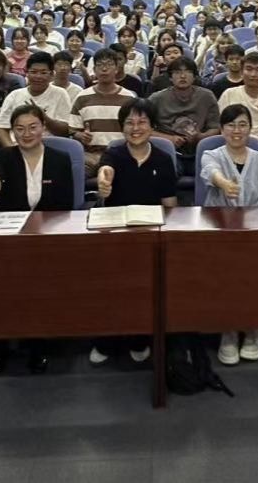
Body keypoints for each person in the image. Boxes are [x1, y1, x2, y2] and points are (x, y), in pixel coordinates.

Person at [0, 104, 74, 376]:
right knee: (0, 288)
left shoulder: (60, 159)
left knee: (40, 289)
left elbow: (66, 206)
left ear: (43, 128)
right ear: (12, 132)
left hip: (46, 238)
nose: (26, 134)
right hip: (10, 237)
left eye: (32, 127)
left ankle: (38, 345)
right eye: (19, 129)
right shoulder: (5, 156)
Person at [92, 100, 177, 366]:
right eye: (129, 122)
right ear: (122, 127)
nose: (135, 128)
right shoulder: (114, 154)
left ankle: (140, 338)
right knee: (110, 288)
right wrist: (103, 182)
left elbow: (170, 205)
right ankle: (106, 339)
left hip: (149, 235)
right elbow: (105, 171)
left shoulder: (163, 159)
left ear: (152, 126)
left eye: (142, 122)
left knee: (145, 288)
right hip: (116, 235)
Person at [202, 104, 258, 365]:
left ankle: (254, 328)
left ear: (250, 129)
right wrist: (224, 183)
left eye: (242, 125)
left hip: (254, 231)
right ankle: (229, 330)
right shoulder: (211, 154)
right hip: (220, 231)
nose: (237, 130)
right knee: (226, 273)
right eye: (231, 125)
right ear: (222, 129)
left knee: (255, 272)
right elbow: (210, 172)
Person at [69, 49, 137, 171]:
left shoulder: (129, 98)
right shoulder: (82, 97)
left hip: (120, 155)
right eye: (100, 65)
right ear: (94, 70)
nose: (104, 69)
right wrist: (80, 135)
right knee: (73, 174)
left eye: (109, 64)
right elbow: (73, 130)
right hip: (90, 156)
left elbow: (135, 130)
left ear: (117, 69)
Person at [150, 57, 219, 170]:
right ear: (170, 77)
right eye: (177, 72)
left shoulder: (207, 96)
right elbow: (146, 129)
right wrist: (169, 139)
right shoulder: (156, 98)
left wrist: (200, 137)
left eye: (188, 71)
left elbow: (215, 128)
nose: (183, 76)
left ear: (194, 76)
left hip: (201, 151)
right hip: (167, 152)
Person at [0, 52, 72, 146]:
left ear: (52, 74)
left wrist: (44, 117)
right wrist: (12, 149)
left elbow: (65, 130)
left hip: (48, 147)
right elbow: (1, 128)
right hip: (16, 146)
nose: (38, 76)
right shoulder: (14, 95)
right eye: (33, 72)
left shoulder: (61, 94)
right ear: (27, 73)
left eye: (43, 73)